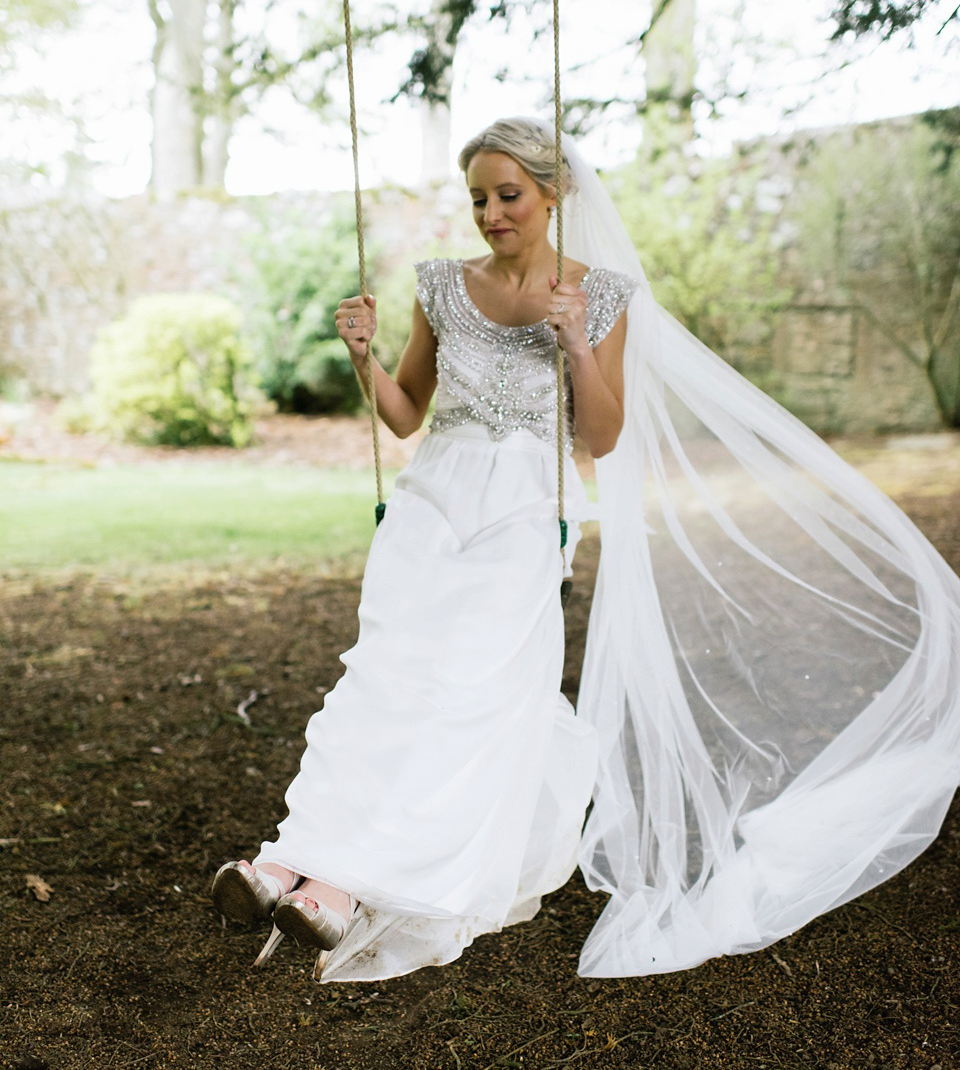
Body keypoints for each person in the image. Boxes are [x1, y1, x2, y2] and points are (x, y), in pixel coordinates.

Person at [213, 117, 960, 983]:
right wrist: (361, 357)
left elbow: (602, 437)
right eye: (479, 200)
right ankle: (287, 861)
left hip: (524, 511)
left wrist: (573, 338)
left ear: (550, 193)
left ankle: (346, 889)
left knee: (464, 692)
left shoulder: (599, 296)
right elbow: (407, 416)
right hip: (431, 508)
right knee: (384, 677)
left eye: (508, 196)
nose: (492, 215)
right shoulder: (442, 286)